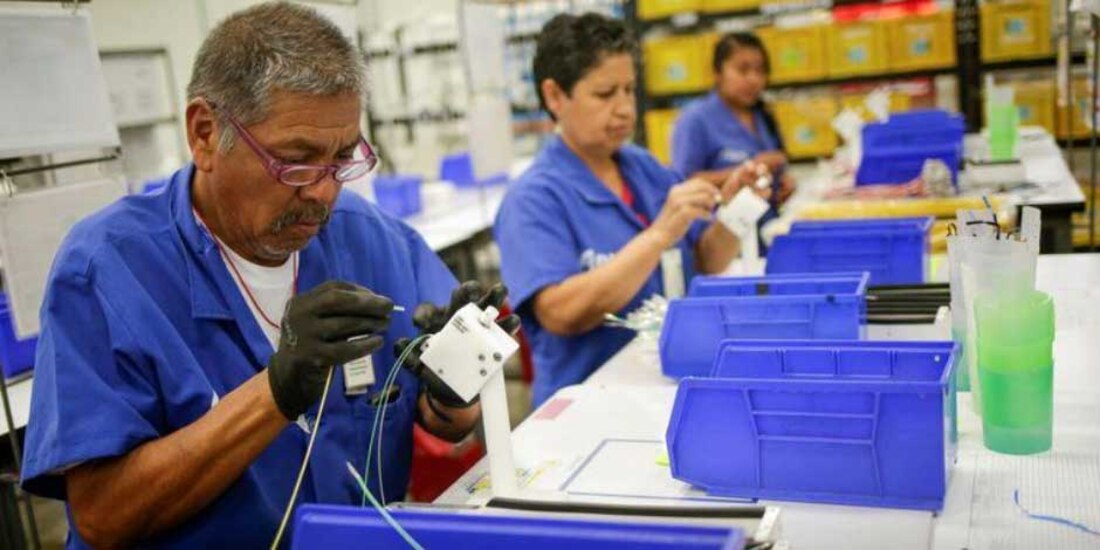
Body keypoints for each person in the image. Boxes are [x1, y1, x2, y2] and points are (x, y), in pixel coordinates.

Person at [19, 3, 516, 548]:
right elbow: (103, 518)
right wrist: (275, 392)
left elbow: (447, 424)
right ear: (205, 133)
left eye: (342, 159)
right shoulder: (109, 270)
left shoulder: (371, 241)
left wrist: (453, 385)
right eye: (296, 161)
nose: (323, 192)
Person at [494, 13, 767, 408]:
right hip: (586, 405)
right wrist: (657, 236)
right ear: (555, 96)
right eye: (605, 94)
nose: (624, 109)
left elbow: (706, 259)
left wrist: (738, 210)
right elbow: (561, 313)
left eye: (629, 90)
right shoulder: (534, 198)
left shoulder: (644, 169)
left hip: (659, 386)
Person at [671, 32, 794, 208]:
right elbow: (684, 182)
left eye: (760, 71)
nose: (754, 79)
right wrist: (748, 169)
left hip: (767, 225)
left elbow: (773, 170)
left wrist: (782, 184)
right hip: (719, 227)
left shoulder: (762, 114)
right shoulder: (695, 118)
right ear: (717, 72)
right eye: (742, 70)